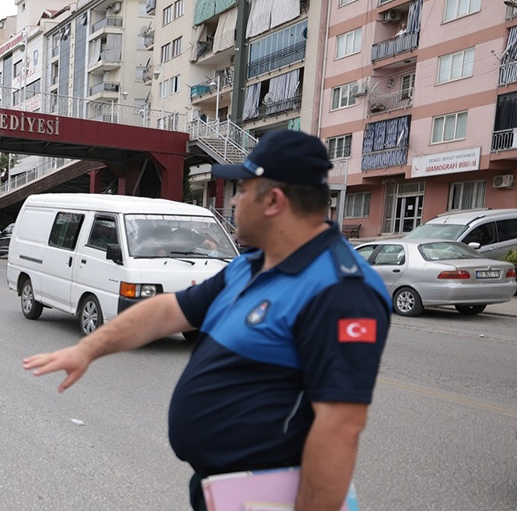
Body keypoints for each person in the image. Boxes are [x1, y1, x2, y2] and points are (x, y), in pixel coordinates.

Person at [23, 129, 392, 511]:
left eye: (243, 188)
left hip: (272, 496)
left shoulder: (340, 290)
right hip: (226, 492)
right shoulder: (250, 266)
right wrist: (88, 349)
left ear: (273, 201)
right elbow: (167, 311)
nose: (234, 199)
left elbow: (339, 431)